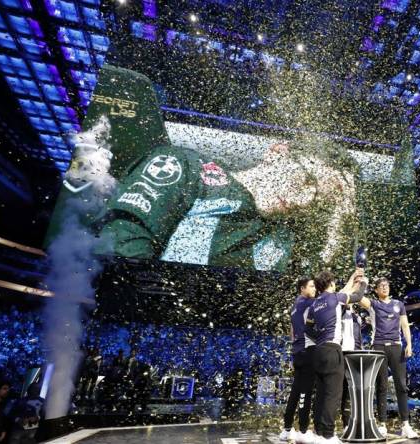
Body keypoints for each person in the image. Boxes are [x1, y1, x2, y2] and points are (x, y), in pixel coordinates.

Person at [93, 139, 358, 271]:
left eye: (317, 202)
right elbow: (123, 237)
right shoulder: (191, 168)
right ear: (277, 152)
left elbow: (318, 292)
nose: (302, 201)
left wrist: (340, 225)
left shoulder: (284, 241)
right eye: (307, 180)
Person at [305, 268, 368, 444]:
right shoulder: (335, 298)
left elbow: (307, 328)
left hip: (318, 352)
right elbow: (356, 297)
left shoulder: (314, 304)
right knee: (333, 395)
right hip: (333, 350)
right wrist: (363, 283)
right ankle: (329, 435)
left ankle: (319, 433)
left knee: (321, 394)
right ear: (332, 284)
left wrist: (320, 338)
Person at [368, 277, 418, 439]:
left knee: (402, 386)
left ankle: (405, 425)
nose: (384, 287)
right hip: (379, 346)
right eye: (381, 286)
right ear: (375, 290)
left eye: (386, 285)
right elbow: (358, 298)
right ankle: (382, 424)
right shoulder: (373, 304)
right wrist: (359, 279)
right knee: (381, 385)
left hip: (397, 346)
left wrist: (409, 344)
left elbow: (404, 325)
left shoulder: (399, 304)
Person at [279, 277, 318, 443]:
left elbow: (292, 331)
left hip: (297, 352)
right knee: (305, 392)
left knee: (295, 392)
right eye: (311, 286)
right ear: (302, 288)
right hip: (306, 351)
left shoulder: (295, 305)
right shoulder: (307, 303)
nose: (315, 288)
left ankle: (287, 429)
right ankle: (302, 430)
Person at [339, 304, 363, 429]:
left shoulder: (357, 315)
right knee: (342, 389)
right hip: (344, 353)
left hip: (357, 353)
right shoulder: (340, 312)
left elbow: (358, 336)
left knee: (353, 390)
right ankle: (345, 423)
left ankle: (354, 422)